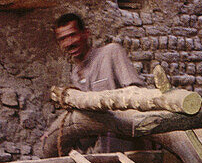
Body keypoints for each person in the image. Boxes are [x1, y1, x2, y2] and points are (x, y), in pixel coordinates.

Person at [53, 12, 143, 153]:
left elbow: (136, 93)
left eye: (73, 35)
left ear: (86, 34)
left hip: (128, 148)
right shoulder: (75, 76)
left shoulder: (111, 53)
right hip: (102, 151)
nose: (69, 42)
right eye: (63, 39)